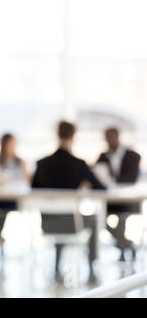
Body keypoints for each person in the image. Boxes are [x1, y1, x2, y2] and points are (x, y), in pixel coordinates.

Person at [32, 121, 106, 284]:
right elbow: (101, 188)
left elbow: (32, 191)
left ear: (57, 135)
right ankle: (92, 269)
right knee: (92, 220)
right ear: (73, 137)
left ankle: (57, 268)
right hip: (72, 225)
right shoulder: (78, 164)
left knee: (61, 220)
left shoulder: (42, 164)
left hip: (47, 224)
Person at [95, 127, 141, 262]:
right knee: (100, 220)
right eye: (107, 137)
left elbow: (131, 178)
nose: (109, 140)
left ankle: (123, 248)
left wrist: (112, 180)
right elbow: (97, 176)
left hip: (128, 199)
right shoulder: (102, 156)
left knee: (122, 218)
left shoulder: (133, 156)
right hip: (110, 200)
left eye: (111, 136)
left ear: (118, 136)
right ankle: (127, 245)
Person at [0, 133, 30, 252]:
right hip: (0, 198)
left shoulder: (20, 162)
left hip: (15, 199)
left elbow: (26, 181)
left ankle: (0, 237)